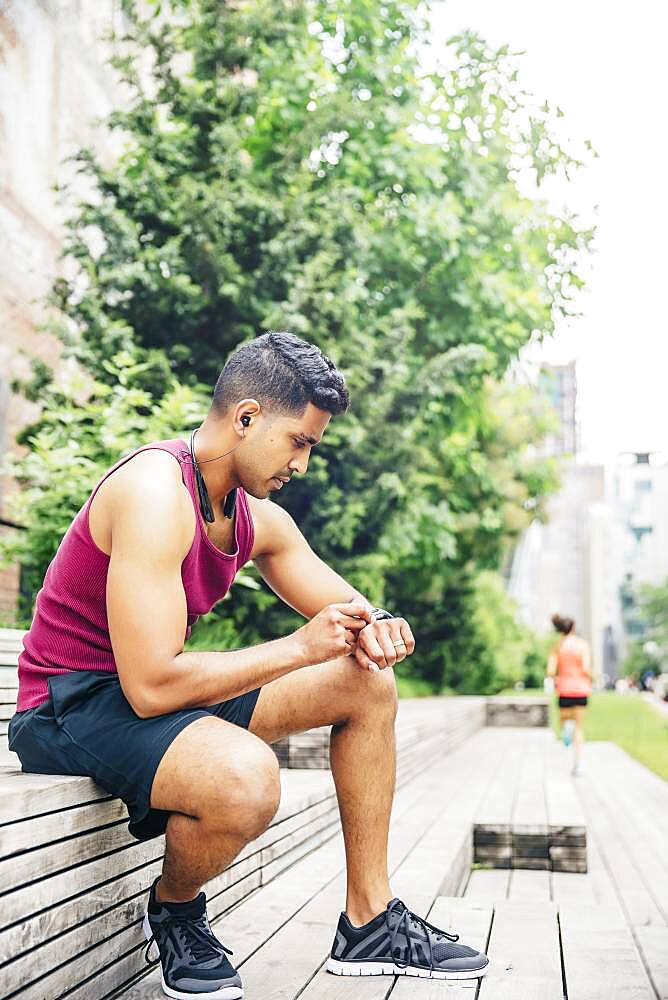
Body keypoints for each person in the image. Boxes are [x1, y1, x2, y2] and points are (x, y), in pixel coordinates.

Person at [8, 331, 488, 999]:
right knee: (247, 779)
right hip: (68, 707)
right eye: (301, 442)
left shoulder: (254, 520)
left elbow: (348, 606)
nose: (305, 464)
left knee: (365, 681)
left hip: (145, 696)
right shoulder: (153, 493)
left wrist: (380, 627)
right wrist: (296, 649)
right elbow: (149, 688)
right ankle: (176, 909)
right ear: (247, 417)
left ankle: (369, 921)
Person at [546, 613, 592, 776]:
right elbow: (586, 668)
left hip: (564, 690)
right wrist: (590, 678)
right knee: (579, 728)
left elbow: (550, 671)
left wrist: (559, 676)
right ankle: (578, 765)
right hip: (580, 689)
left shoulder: (557, 647)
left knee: (565, 721)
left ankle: (566, 731)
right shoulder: (582, 645)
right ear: (573, 628)